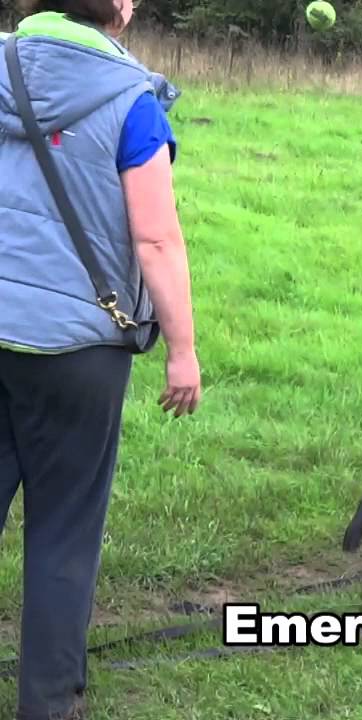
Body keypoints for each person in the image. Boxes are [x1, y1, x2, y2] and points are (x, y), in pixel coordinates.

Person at [0, 1, 201, 717]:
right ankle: (48, 703)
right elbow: (155, 239)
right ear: (116, 8)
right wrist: (182, 349)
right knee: (62, 532)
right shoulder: (131, 100)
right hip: (77, 350)